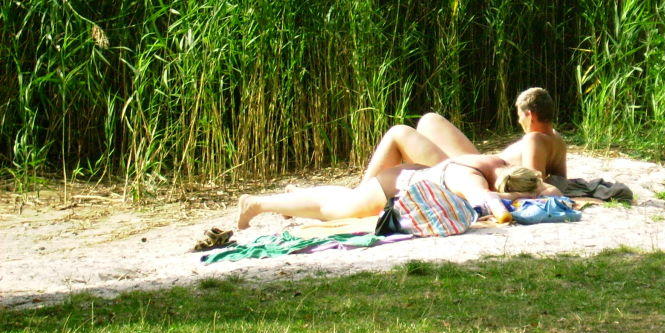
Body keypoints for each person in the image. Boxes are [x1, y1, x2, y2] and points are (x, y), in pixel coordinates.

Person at [236, 157, 541, 230]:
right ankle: (257, 203)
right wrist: (513, 206)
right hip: (396, 185)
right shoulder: (474, 180)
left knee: (347, 197)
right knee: (337, 209)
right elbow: (493, 207)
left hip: (403, 176)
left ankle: (298, 197)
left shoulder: (498, 165)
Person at [416, 87, 568, 181]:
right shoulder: (556, 138)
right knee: (430, 121)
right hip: (483, 167)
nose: (519, 121)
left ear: (530, 115)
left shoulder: (533, 139)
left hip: (477, 174)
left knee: (426, 124)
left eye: (519, 115)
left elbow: (534, 182)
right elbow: (561, 180)